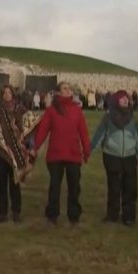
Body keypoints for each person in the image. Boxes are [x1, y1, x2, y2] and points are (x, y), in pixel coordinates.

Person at [32, 82, 91, 226]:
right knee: (54, 187)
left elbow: (83, 132)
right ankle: (52, 215)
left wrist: (86, 150)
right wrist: (35, 147)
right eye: (65, 88)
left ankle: (74, 216)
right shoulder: (52, 110)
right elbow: (43, 131)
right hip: (55, 155)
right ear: (58, 93)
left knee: (74, 188)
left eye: (70, 89)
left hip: (73, 155)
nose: (68, 90)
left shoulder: (77, 110)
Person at [0, 85, 38, 223]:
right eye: (4, 92)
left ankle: (16, 212)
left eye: (9, 92)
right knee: (2, 185)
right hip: (1, 152)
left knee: (15, 184)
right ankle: (2, 212)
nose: (7, 95)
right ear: (2, 95)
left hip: (18, 153)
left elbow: (28, 128)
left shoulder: (21, 110)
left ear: (13, 94)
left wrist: (31, 146)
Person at [89, 90, 138, 226]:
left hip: (130, 157)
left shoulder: (133, 118)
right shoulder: (108, 118)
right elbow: (99, 135)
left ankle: (129, 217)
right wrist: (88, 151)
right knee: (114, 187)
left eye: (127, 98)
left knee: (130, 187)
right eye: (122, 98)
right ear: (116, 101)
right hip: (111, 155)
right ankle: (112, 215)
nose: (126, 100)